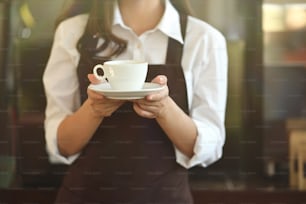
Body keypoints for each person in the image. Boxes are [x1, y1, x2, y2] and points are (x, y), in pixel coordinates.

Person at [43, 0, 228, 203]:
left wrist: (164, 108)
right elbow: (62, 145)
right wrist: (93, 109)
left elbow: (209, 147)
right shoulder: (71, 32)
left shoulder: (204, 39)